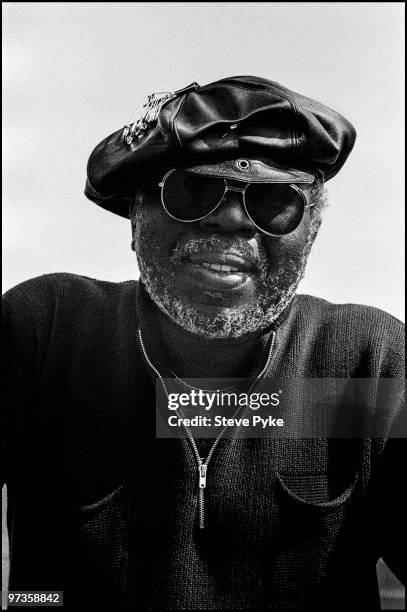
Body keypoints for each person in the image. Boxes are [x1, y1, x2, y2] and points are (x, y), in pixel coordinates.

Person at [3, 76, 405, 610]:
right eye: (191, 190)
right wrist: (35, 603)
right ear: (136, 212)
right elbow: (33, 595)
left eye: (274, 200)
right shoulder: (49, 335)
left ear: (311, 231)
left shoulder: (365, 364)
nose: (231, 218)